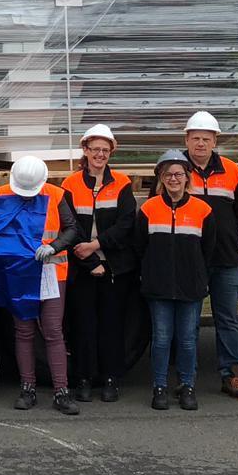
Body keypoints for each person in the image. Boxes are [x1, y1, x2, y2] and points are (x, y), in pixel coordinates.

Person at [61, 124, 137, 402]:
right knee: (83, 325)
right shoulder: (70, 184)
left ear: (111, 152)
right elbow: (69, 226)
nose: (100, 155)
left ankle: (110, 379)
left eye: (105, 150)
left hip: (115, 268)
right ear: (85, 150)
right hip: (82, 268)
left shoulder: (122, 183)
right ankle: (83, 378)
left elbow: (126, 224)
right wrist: (91, 261)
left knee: (112, 326)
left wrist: (96, 246)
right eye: (95, 149)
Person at [182, 111, 238, 402]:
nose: (200, 143)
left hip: (225, 257)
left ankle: (231, 375)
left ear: (215, 141)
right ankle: (187, 379)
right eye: (195, 138)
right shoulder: (175, 169)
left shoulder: (231, 170)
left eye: (206, 139)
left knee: (228, 320)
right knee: (188, 322)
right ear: (186, 140)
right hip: (189, 259)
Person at [137, 151, 215, 412]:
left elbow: (209, 249)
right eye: (168, 174)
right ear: (161, 178)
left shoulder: (203, 210)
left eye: (179, 174)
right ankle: (159, 387)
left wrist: (200, 277)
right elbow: (140, 247)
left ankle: (187, 386)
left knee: (187, 340)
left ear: (187, 178)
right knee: (161, 339)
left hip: (190, 286)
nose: (174, 179)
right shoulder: (148, 209)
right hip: (158, 286)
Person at [7, 157, 79, 415]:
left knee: (52, 330)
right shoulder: (1, 194)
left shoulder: (56, 194)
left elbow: (72, 229)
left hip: (52, 271)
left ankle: (61, 391)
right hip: (19, 273)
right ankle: (27, 388)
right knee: (24, 331)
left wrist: (54, 247)